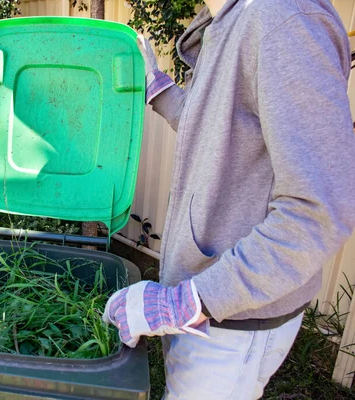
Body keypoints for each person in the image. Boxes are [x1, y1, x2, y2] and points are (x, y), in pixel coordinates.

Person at [102, 0, 355, 398]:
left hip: (231, 315)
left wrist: (188, 302)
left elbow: (317, 213)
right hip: (210, 303)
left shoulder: (285, 20)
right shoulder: (235, 18)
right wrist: (161, 90)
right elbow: (223, 133)